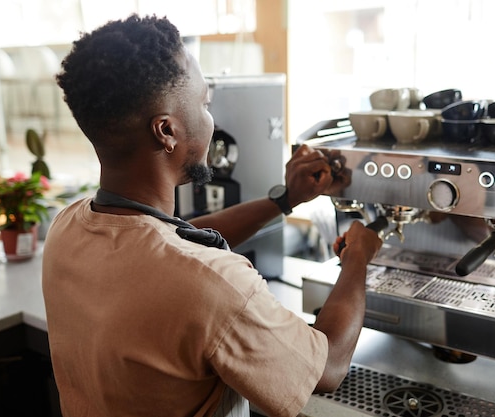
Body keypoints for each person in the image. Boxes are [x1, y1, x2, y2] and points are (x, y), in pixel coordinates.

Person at [42, 14, 383, 417]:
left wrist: (284, 201)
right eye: (205, 103)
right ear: (165, 131)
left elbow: (168, 244)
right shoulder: (214, 286)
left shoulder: (66, 228)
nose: (211, 119)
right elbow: (327, 367)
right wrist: (358, 256)